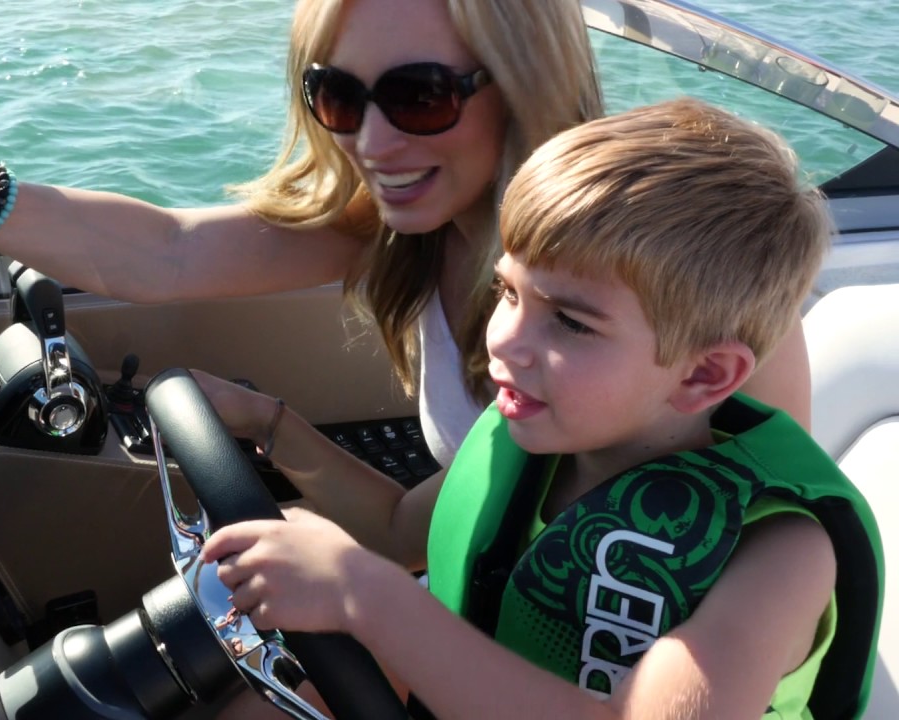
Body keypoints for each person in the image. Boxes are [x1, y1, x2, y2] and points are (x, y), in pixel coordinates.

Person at [0, 0, 812, 566]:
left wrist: (369, 607)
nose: (371, 142)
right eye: (334, 96)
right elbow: (163, 253)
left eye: (419, 97)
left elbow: (751, 575)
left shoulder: (669, 305)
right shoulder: (407, 227)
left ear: (524, 81)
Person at [201, 98, 883, 719]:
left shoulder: (782, 555)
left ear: (705, 374)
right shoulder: (538, 441)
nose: (504, 340)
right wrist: (269, 425)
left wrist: (363, 595)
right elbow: (396, 529)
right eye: (507, 292)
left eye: (572, 322)